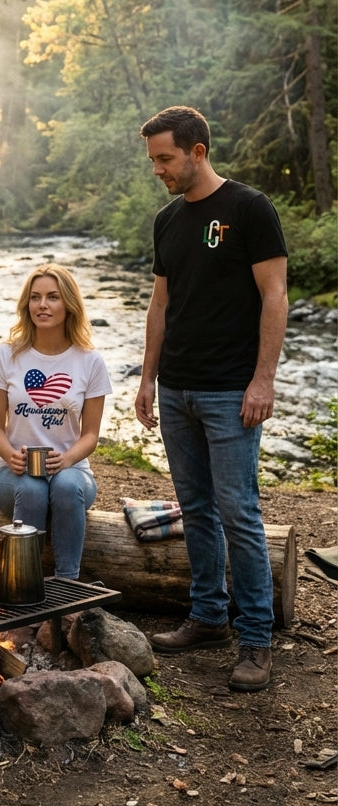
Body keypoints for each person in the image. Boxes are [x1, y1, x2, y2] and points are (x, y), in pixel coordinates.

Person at [134, 105, 287, 693]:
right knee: (195, 508)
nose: (158, 169)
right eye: (153, 160)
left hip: (231, 391)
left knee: (239, 513)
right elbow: (160, 305)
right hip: (176, 388)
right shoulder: (167, 220)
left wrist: (263, 380)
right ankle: (207, 617)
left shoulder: (249, 208)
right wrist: (148, 380)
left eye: (165, 158)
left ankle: (256, 639)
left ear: (198, 151)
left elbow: (274, 297)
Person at [0, 263, 111, 581]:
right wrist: (10, 454)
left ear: (69, 304)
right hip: (11, 475)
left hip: (73, 473)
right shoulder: (6, 355)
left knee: (65, 485)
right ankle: (22, 584)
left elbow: (90, 435)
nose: (42, 305)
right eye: (35, 297)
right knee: (32, 487)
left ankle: (68, 585)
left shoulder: (90, 361)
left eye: (53, 297)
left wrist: (66, 459)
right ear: (26, 304)